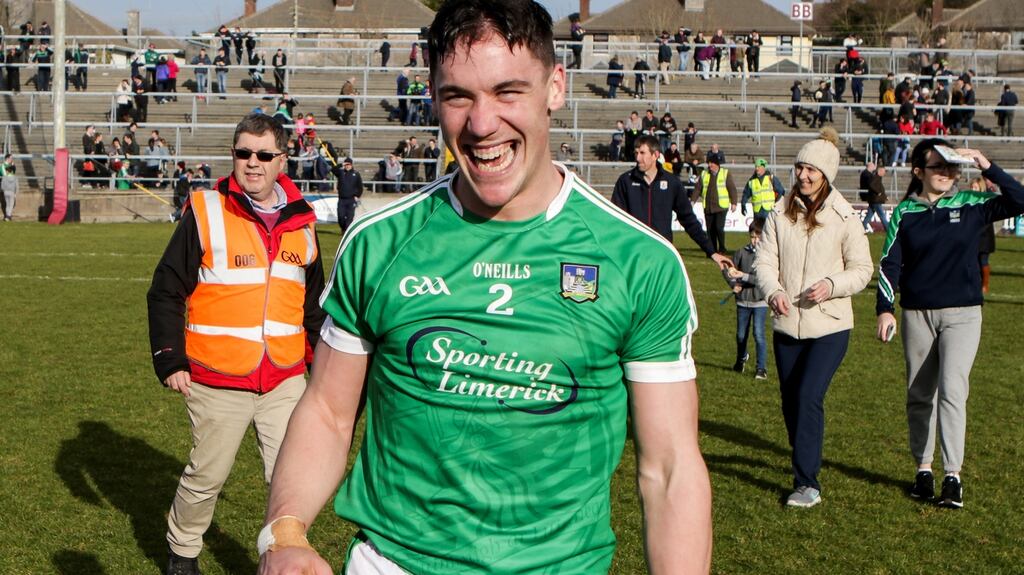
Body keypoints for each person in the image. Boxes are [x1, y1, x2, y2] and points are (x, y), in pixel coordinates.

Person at [256, 2, 712, 574]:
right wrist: (286, 531)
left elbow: (669, 468)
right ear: (432, 97)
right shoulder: (379, 243)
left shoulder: (639, 262)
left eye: (508, 91)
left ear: (555, 87)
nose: (482, 123)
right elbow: (326, 410)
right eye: (458, 96)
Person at [148, 113, 326, 575]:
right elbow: (167, 286)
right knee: (206, 478)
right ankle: (182, 553)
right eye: (243, 152)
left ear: (282, 161)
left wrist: (323, 373)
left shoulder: (304, 223)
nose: (252, 163)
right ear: (233, 155)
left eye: (264, 155)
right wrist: (169, 358)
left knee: (289, 482)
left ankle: (279, 561)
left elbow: (314, 311)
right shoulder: (207, 210)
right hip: (216, 377)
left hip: (285, 378)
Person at [875, 139, 1024, 509]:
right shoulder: (905, 212)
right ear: (918, 172)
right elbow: (889, 263)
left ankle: (952, 476)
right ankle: (923, 470)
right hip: (917, 314)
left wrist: (987, 166)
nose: (947, 173)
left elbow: (1020, 199)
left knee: (953, 391)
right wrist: (884, 308)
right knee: (919, 394)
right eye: (938, 166)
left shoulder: (972, 204)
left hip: (964, 315)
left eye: (952, 166)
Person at [754, 128, 873, 508]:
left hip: (830, 326)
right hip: (787, 324)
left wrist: (831, 284)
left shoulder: (844, 216)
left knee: (808, 396)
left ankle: (807, 483)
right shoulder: (778, 211)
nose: (803, 176)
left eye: (811, 170)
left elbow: (862, 268)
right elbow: (764, 262)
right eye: (799, 167)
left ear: (827, 175)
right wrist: (772, 292)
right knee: (790, 401)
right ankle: (804, 452)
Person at [612, 134, 732, 270]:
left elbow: (689, 220)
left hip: (662, 257)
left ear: (655, 155)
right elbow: (615, 221)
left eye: (642, 153)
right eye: (636, 153)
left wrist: (712, 252)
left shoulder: (672, 182)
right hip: (633, 257)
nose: (637, 157)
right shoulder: (625, 181)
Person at [724, 220, 768, 378]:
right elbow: (728, 269)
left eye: (757, 237)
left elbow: (763, 279)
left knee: (759, 334)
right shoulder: (741, 252)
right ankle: (741, 359)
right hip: (742, 301)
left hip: (760, 302)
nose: (754, 240)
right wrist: (733, 283)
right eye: (752, 237)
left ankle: (761, 368)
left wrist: (743, 276)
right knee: (741, 335)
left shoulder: (767, 257)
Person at [692, 150, 737, 254]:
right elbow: (698, 189)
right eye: (709, 163)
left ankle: (722, 248)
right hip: (708, 206)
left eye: (711, 163)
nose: (709, 165)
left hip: (721, 206)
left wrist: (734, 202)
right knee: (710, 230)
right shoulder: (704, 174)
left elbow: (732, 188)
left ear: (717, 164)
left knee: (719, 228)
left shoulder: (725, 173)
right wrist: (693, 201)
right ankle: (712, 250)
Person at [741, 158, 784, 224]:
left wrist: (776, 203)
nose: (757, 168)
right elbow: (746, 194)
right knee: (757, 232)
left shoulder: (771, 178)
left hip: (769, 210)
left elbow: (781, 191)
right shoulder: (751, 181)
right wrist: (743, 205)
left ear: (764, 167)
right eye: (756, 166)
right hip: (757, 211)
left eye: (759, 166)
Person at [331, 156, 363, 233]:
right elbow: (333, 169)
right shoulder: (341, 173)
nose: (347, 166)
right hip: (342, 199)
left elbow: (360, 187)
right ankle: (343, 228)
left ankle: (346, 232)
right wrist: (341, 164)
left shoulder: (356, 174)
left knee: (350, 218)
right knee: (341, 217)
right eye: (346, 164)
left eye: (349, 164)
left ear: (351, 165)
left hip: (351, 199)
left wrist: (357, 196)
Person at [862, 165, 888, 232]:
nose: (884, 173)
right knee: (882, 216)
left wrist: (885, 196)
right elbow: (871, 185)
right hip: (876, 201)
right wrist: (878, 192)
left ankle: (862, 228)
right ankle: (888, 229)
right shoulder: (876, 177)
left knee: (869, 216)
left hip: (873, 200)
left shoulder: (877, 178)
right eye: (884, 171)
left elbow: (879, 188)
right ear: (879, 171)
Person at [1, 154, 17, 221]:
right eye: (11, 158)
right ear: (7, 158)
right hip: (5, 186)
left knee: (9, 203)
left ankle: (7, 216)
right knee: (8, 203)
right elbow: (5, 175)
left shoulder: (11, 165)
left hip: (9, 186)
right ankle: (8, 216)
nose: (12, 159)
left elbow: (13, 174)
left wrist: (13, 167)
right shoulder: (2, 165)